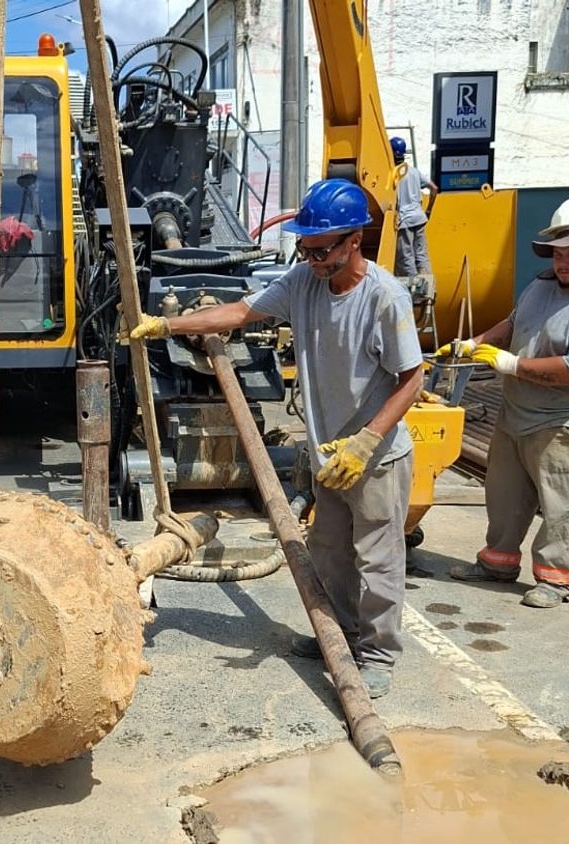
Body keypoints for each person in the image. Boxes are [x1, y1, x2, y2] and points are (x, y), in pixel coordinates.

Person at [130, 179, 424, 698]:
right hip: (327, 453)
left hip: (373, 458)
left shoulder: (384, 299)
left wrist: (365, 442)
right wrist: (167, 325)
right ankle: (338, 632)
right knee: (330, 551)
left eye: (321, 248)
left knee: (377, 557)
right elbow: (242, 312)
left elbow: (413, 380)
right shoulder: (304, 282)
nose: (310, 257)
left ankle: (377, 653)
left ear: (354, 240)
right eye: (305, 248)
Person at [443, 197, 569, 609]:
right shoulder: (540, 286)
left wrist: (512, 363)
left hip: (564, 422)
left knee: (561, 505)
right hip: (515, 415)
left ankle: (556, 579)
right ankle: (498, 563)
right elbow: (513, 323)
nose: (563, 263)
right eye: (559, 254)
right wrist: (475, 343)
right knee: (504, 497)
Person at [391, 137, 438, 276]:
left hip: (404, 221)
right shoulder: (414, 171)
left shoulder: (392, 174)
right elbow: (434, 188)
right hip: (420, 217)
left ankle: (414, 292)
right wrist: (428, 210)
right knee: (421, 255)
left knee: (405, 258)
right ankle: (427, 290)